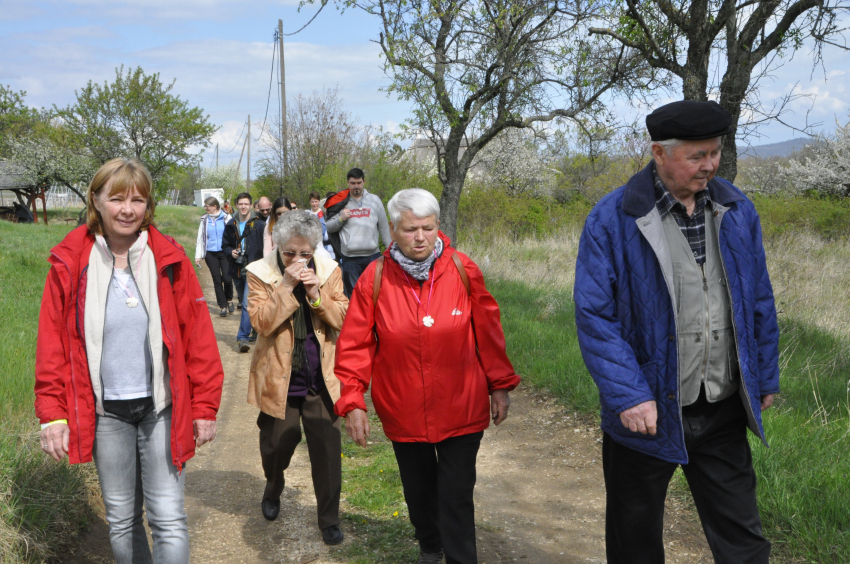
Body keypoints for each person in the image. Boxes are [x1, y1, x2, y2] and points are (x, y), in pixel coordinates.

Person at [573, 100, 780, 564]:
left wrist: (764, 372)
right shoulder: (612, 219)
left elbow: (758, 298)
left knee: (743, 537)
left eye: (715, 153)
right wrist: (629, 396)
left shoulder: (737, 208)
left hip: (723, 404)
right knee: (635, 536)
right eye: (696, 156)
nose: (709, 166)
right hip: (647, 409)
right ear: (659, 153)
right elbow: (594, 316)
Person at [35, 157, 224, 564]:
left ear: (148, 206)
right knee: (121, 519)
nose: (128, 209)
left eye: (138, 200)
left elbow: (198, 340)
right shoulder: (70, 263)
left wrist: (205, 406)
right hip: (105, 414)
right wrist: (52, 414)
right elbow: (52, 345)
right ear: (96, 201)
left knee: (169, 518)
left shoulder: (168, 259)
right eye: (117, 198)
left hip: (162, 408)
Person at [334, 188, 520, 564]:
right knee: (418, 490)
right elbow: (355, 344)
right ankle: (430, 545)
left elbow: (489, 332)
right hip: (403, 406)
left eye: (428, 228)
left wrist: (499, 385)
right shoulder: (376, 276)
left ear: (438, 227)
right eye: (410, 229)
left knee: (456, 493)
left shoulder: (463, 269)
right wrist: (353, 400)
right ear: (393, 230)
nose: (420, 237)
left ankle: (461, 557)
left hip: (461, 403)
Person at [245, 211, 349, 546]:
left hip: (321, 377)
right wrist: (287, 286)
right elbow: (261, 323)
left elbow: (343, 317)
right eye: (290, 252)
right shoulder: (261, 273)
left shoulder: (329, 269)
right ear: (278, 244)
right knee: (277, 445)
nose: (298, 260)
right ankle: (273, 486)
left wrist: (317, 296)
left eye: (305, 253)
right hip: (280, 376)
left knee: (328, 453)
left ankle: (329, 518)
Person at [325, 168, 392, 298]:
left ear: (364, 182)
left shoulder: (374, 200)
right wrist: (341, 219)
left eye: (359, 182)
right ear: (348, 183)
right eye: (353, 183)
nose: (356, 186)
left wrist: (390, 251)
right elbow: (329, 228)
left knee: (376, 294)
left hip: (373, 256)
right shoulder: (341, 202)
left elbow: (384, 227)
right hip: (350, 259)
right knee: (355, 297)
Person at [223, 192, 266, 353]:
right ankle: (254, 327)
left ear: (250, 206)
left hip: (254, 270)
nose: (243, 206)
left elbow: (266, 247)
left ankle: (242, 337)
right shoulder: (230, 224)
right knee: (244, 301)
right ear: (236, 205)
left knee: (248, 304)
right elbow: (225, 245)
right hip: (237, 269)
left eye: (246, 204)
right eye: (240, 204)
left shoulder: (259, 225)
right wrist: (230, 252)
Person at [195, 197, 234, 317]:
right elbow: (200, 238)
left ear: (215, 206)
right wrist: (198, 255)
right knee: (217, 280)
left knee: (227, 279)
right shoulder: (204, 219)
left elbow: (233, 235)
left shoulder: (227, 217)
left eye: (207, 206)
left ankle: (229, 299)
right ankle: (222, 306)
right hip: (210, 253)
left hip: (225, 252)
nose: (205, 208)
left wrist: (233, 250)